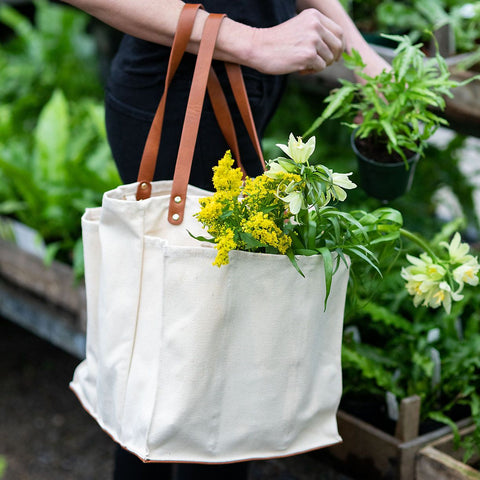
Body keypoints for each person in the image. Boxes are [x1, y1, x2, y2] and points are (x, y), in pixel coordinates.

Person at [61, 1, 389, 478]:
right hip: (180, 88)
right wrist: (250, 40)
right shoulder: (242, 47)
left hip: (242, 81)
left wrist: (362, 59)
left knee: (193, 365)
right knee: (203, 373)